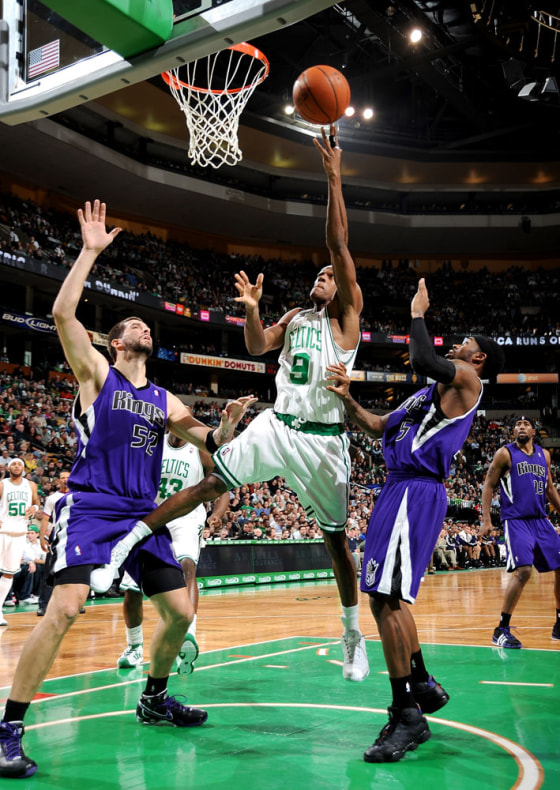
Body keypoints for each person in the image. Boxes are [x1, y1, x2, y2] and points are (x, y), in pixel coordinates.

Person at [96, 127, 369, 684]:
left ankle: (351, 632)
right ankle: (126, 541)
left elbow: (339, 247)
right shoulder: (295, 319)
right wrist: (251, 308)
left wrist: (334, 176)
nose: (320, 277)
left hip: (324, 442)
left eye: (327, 276)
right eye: (316, 275)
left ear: (341, 287)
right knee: (207, 486)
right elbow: (254, 346)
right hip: (278, 424)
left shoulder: (346, 319)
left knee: (336, 542)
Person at [0, 200, 255, 779]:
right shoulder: (97, 374)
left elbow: (204, 438)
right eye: (133, 326)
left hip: (146, 516)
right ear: (116, 343)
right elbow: (64, 315)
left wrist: (228, 424)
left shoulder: (163, 399)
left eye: (146, 326)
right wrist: (89, 252)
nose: (143, 326)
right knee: (66, 606)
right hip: (94, 509)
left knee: (181, 611)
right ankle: (9, 725)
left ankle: (154, 697)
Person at [325, 278, 505, 763]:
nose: (460, 342)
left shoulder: (466, 381)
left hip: (417, 491)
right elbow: (379, 425)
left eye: (468, 341)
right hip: (398, 489)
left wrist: (417, 313)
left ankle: (407, 713)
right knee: (388, 595)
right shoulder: (429, 393)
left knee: (385, 598)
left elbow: (425, 356)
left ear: (480, 357)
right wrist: (346, 398)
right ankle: (419, 681)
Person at [117, 433, 228, 674]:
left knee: (187, 567)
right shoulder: (152, 445)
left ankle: (188, 633)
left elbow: (223, 486)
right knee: (132, 588)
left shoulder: (200, 450)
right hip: (152, 515)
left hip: (187, 515)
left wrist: (217, 513)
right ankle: (134, 646)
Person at [481, 416, 560, 648]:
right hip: (516, 520)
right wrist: (486, 519)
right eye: (517, 425)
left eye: (525, 425)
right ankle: (501, 629)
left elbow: (550, 489)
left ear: (534, 431)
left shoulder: (544, 455)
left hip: (540, 520)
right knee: (524, 571)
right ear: (513, 431)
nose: (521, 427)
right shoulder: (505, 454)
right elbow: (488, 485)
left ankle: (559, 623)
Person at [0, 458, 40, 623]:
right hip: (2, 532)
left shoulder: (31, 485)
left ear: (24, 468)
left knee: (8, 575)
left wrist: (35, 508)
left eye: (19, 464)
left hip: (19, 534)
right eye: (13, 464)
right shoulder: (2, 484)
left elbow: (36, 501)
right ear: (8, 468)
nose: (16, 466)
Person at [37, 471, 71, 616]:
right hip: (57, 536)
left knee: (72, 571)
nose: (65, 480)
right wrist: (41, 537)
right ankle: (43, 604)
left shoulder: (78, 495)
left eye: (67, 477)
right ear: (58, 480)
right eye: (62, 478)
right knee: (49, 570)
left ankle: (72, 603)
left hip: (75, 536)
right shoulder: (52, 498)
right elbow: (45, 519)